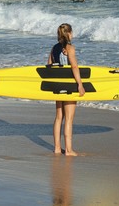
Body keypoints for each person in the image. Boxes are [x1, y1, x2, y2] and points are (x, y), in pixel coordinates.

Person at [48, 23, 85, 156]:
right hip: (69, 86)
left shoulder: (54, 49)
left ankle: (57, 148)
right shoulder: (70, 48)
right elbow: (74, 67)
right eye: (72, 32)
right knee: (69, 119)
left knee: (59, 117)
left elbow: (49, 66)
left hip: (58, 86)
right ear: (69, 34)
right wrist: (80, 84)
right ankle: (69, 150)